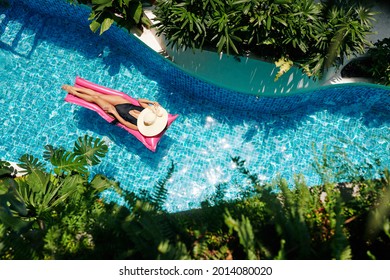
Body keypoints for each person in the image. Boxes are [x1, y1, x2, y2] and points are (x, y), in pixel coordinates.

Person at [62, 85, 168, 136]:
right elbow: (140, 101)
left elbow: (125, 123)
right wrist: (152, 102)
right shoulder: (150, 113)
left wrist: (114, 113)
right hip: (125, 104)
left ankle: (74, 93)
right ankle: (75, 89)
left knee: (96, 99)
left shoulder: (139, 126)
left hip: (118, 113)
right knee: (98, 95)